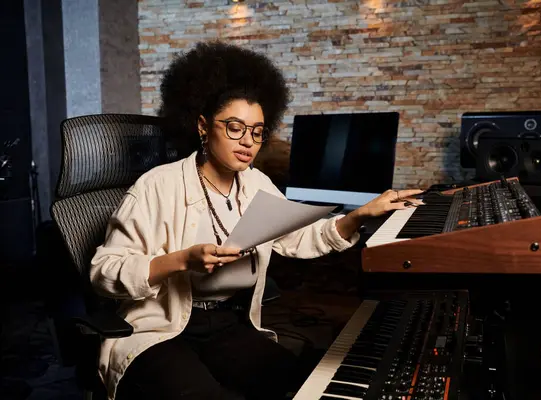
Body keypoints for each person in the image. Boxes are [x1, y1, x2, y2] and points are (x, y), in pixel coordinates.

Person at [90, 41, 423, 400]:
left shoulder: (256, 183)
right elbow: (103, 271)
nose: (247, 141)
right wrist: (182, 260)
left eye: (257, 131)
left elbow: (300, 237)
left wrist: (357, 216)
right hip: (161, 330)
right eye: (234, 127)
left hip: (229, 325)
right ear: (203, 126)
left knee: (300, 385)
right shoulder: (157, 185)